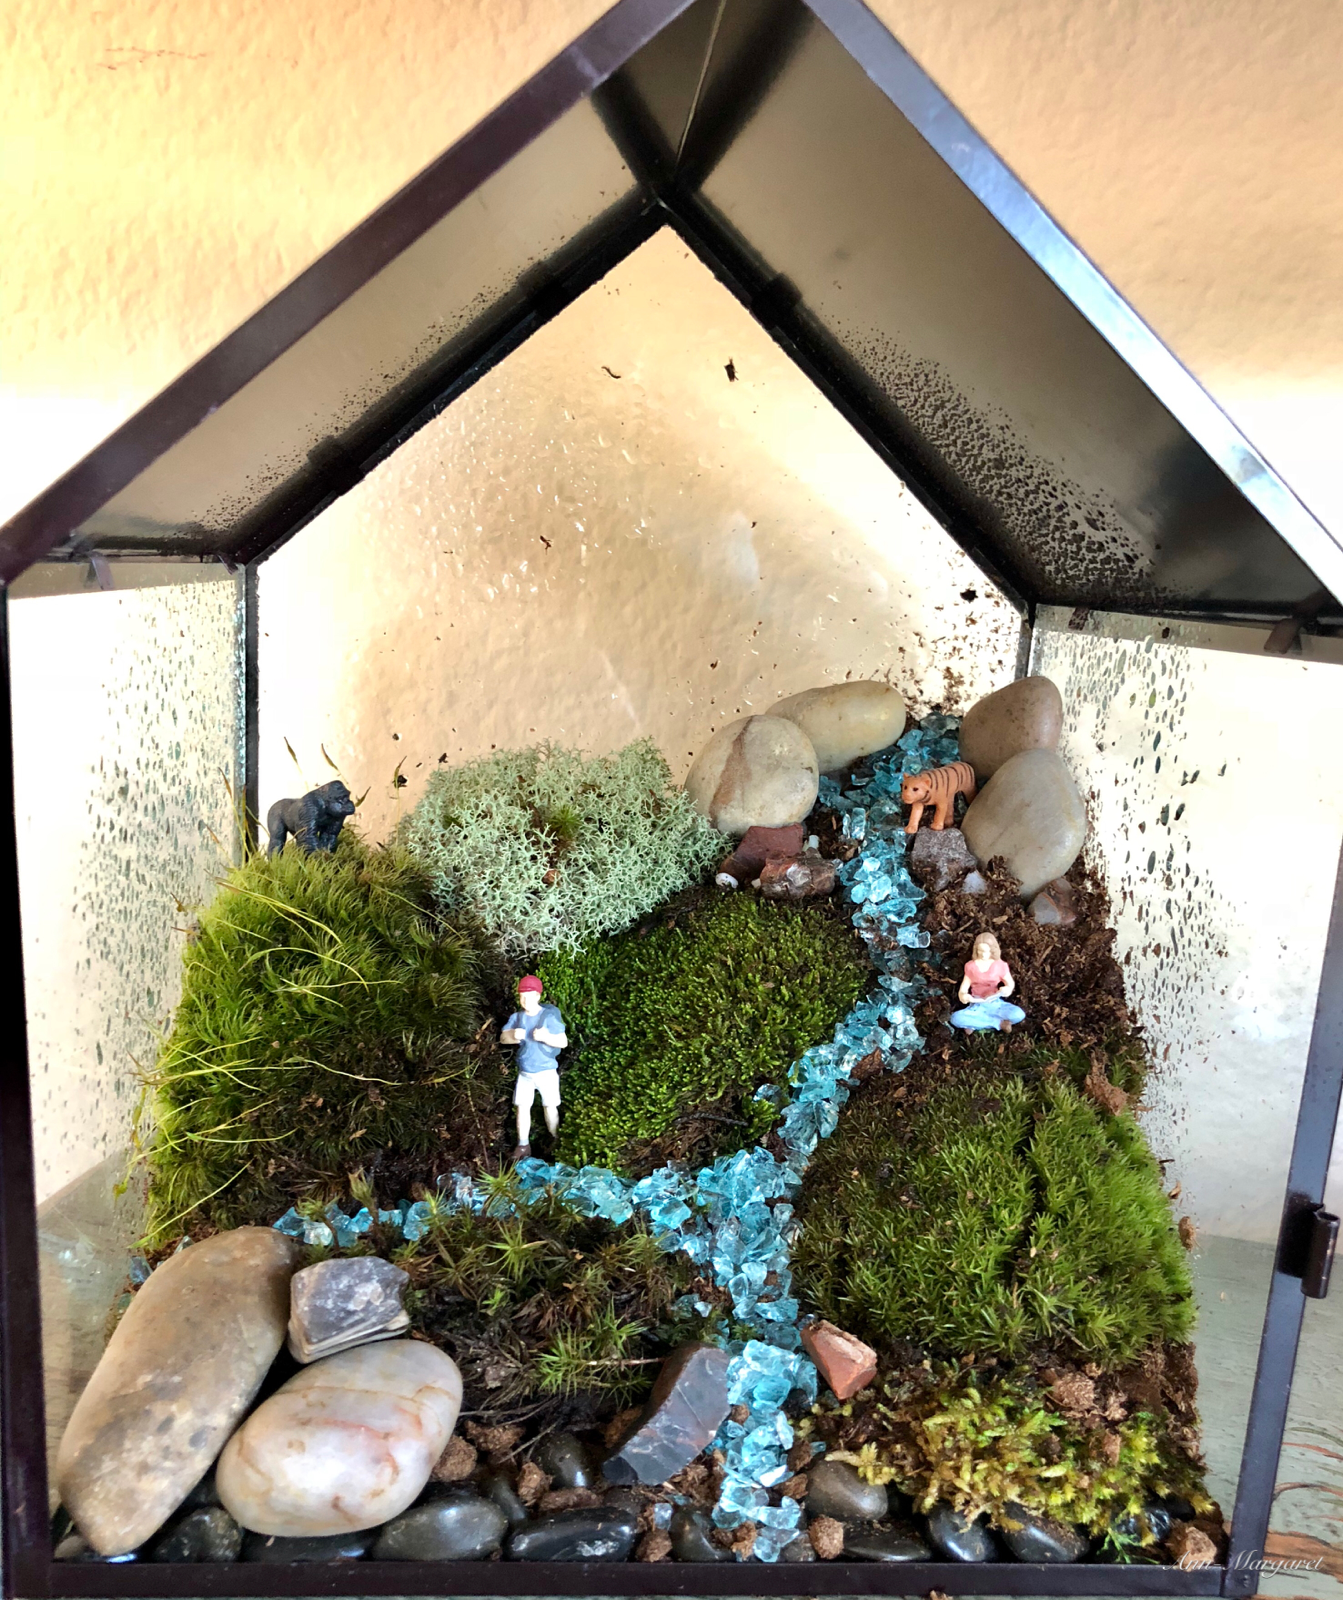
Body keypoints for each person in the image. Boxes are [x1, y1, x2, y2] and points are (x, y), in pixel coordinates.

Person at [500, 976, 567, 1161]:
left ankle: (555, 1139)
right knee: (522, 1107)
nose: (525, 1001)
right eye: (522, 997)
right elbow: (503, 1038)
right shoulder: (517, 1017)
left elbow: (563, 1041)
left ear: (538, 996)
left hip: (546, 1072)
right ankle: (523, 1144)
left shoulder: (548, 1017)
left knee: (550, 1106)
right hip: (525, 1073)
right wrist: (513, 1036)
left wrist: (546, 1037)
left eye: (529, 996)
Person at [949, 931, 1026, 1033]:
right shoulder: (971, 966)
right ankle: (998, 1023)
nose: (983, 954)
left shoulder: (1000, 965)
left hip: (995, 1002)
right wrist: (964, 997)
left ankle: (975, 1024)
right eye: (980, 951)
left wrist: (1007, 990)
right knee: (955, 1018)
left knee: (1018, 1014)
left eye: (986, 951)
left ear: (992, 950)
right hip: (977, 1004)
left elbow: (1010, 984)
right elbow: (963, 989)